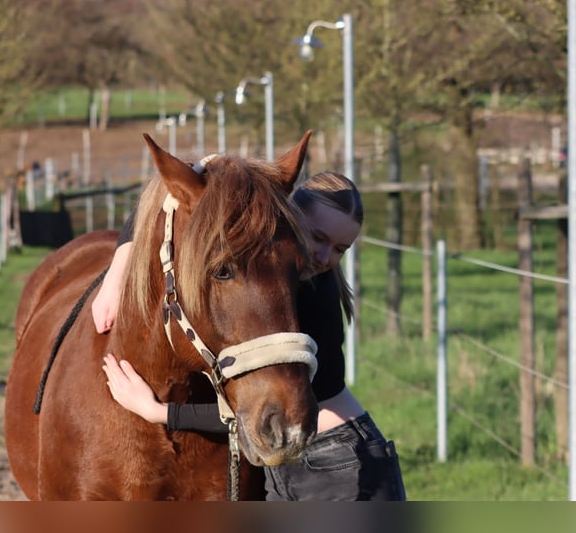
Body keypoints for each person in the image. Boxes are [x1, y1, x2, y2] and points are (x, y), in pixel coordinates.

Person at [93, 171, 406, 501]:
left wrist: (159, 413)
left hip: (339, 460)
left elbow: (251, 409)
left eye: (340, 248)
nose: (324, 257)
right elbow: (154, 205)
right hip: (299, 461)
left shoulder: (308, 297)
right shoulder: (276, 279)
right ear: (287, 218)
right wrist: (115, 278)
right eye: (318, 237)